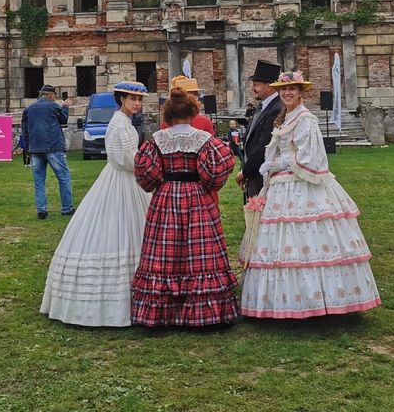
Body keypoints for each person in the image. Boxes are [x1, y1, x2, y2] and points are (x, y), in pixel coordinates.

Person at [240, 70, 380, 319]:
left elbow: (310, 156)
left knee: (308, 242)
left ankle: (323, 300)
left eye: (292, 89)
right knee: (280, 245)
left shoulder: (306, 119)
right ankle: (283, 301)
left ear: (301, 92)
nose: (287, 93)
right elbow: (276, 148)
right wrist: (270, 164)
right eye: (284, 89)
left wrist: (280, 163)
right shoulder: (285, 117)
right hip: (280, 187)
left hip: (302, 185)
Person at [41, 82, 151, 327]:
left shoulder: (124, 122)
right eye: (133, 98)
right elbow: (123, 159)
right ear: (122, 99)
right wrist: (147, 163)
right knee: (115, 229)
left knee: (133, 229)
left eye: (140, 99)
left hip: (129, 181)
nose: (137, 103)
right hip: (121, 180)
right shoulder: (119, 124)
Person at [130, 87, 238, 328]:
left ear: (168, 116)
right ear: (193, 113)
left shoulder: (157, 140)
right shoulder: (204, 140)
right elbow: (218, 170)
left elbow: (147, 175)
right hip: (197, 198)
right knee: (201, 249)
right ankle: (204, 312)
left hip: (166, 196)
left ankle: (163, 312)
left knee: (164, 250)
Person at [22, 85, 74, 219]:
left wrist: (27, 149)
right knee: (64, 177)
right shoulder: (53, 106)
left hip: (35, 148)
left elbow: (24, 131)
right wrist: (65, 106)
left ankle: (41, 210)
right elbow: (63, 120)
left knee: (39, 181)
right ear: (51, 95)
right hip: (53, 147)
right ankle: (67, 209)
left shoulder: (29, 109)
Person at [240, 59, 283, 202]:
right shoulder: (263, 106)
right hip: (254, 174)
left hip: (262, 174)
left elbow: (263, 146)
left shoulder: (276, 108)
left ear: (270, 86)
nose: (253, 88)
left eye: (256, 85)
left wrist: (245, 172)